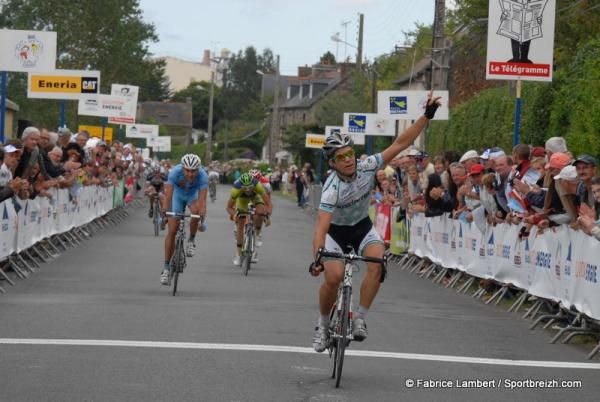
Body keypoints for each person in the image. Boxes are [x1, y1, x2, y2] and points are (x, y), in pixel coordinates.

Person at [309, 93, 441, 352]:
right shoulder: (331, 189)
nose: (348, 159)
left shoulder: (369, 165)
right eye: (340, 157)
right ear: (332, 163)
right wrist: (317, 258)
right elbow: (321, 227)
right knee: (333, 277)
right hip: (335, 232)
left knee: (378, 262)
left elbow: (402, 142)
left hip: (361, 227)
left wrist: (426, 116)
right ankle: (323, 326)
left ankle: (359, 318)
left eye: (349, 154)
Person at [160, 154, 208, 285]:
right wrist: (165, 211)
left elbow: (203, 201)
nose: (191, 174)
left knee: (196, 212)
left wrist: (201, 219)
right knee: (172, 230)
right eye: (187, 170)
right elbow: (168, 196)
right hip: (177, 196)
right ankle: (166, 268)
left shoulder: (203, 176)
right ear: (182, 168)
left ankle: (191, 240)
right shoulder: (175, 172)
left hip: (192, 197)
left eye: (193, 171)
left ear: (198, 169)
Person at [226, 172, 272, 266]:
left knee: (260, 211)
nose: (247, 190)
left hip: (255, 197)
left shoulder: (258, 186)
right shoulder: (236, 189)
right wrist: (235, 215)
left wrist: (267, 216)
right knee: (240, 223)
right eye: (245, 188)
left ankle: (257, 233)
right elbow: (228, 207)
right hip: (241, 200)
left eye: (250, 187)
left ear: (253, 184)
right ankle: (239, 255)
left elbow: (268, 204)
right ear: (241, 186)